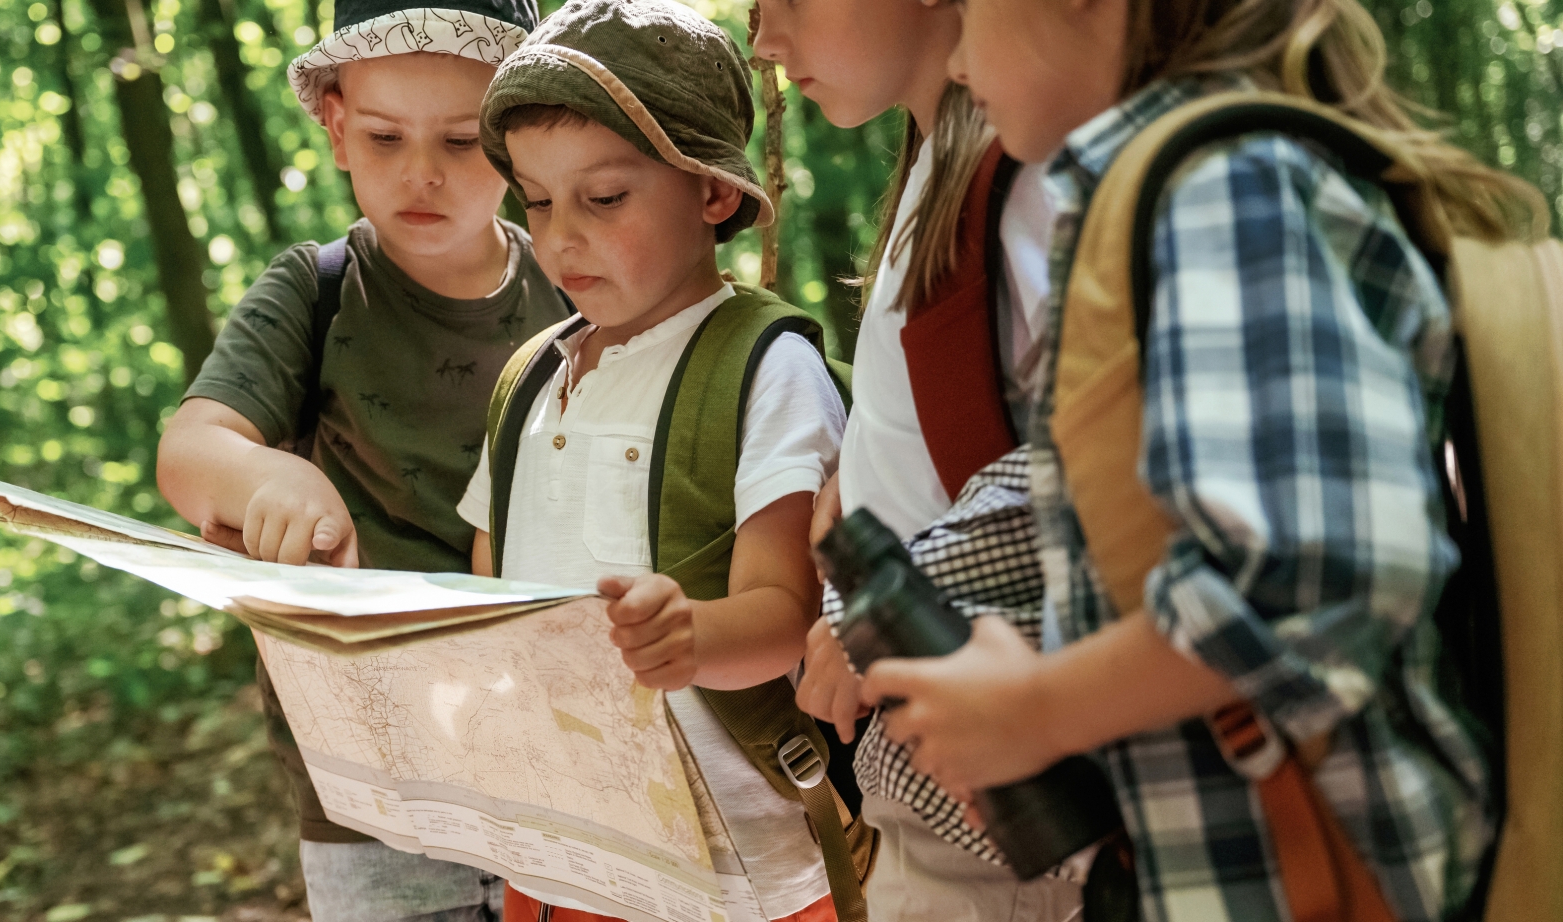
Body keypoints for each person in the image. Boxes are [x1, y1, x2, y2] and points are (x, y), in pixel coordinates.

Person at [859, 0, 1543, 919]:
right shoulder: (1170, 197)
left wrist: (1038, 710)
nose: (954, 58)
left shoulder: (1224, 191)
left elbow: (1316, 580)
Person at [155, 2, 572, 920]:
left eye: (462, 143)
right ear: (338, 128)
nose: (421, 174)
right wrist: (270, 477)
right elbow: (191, 450)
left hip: (561, 777)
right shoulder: (316, 291)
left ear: (520, 141)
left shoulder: (576, 288)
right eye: (385, 137)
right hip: (375, 795)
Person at [455, 2, 849, 919]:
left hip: (738, 872)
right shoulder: (528, 377)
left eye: (604, 198)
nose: (560, 237)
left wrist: (691, 640)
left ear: (713, 191)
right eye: (539, 201)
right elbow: (492, 592)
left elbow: (786, 615)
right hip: (555, 855)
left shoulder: (763, 365)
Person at [750, 3, 1077, 920]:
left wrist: (879, 615)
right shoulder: (943, 174)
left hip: (1009, 810)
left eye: (792, 3)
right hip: (941, 782)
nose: (766, 43)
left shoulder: (1026, 176)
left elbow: (1090, 463)